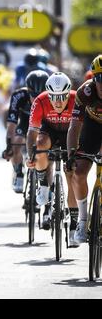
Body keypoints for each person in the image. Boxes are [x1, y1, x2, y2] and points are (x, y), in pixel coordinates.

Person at [26, 72, 79, 247]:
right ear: (48, 94)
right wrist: (31, 156)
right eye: (53, 97)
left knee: (71, 175)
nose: (57, 102)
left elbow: (84, 131)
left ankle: (73, 225)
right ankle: (43, 184)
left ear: (68, 93)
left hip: (70, 133)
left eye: (62, 97)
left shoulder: (76, 99)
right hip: (49, 131)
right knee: (40, 144)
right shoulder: (40, 101)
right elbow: (32, 132)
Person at [67, 55, 102, 244]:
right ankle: (82, 220)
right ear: (93, 79)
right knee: (78, 173)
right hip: (92, 128)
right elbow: (74, 127)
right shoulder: (84, 93)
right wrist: (72, 154)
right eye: (100, 79)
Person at [3, 70, 49, 193]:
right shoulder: (18, 96)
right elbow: (12, 122)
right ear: (28, 90)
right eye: (33, 95)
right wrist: (9, 145)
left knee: (46, 152)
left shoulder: (50, 97)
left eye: (40, 95)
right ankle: (18, 172)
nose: (36, 99)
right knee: (16, 143)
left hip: (43, 124)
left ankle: (48, 185)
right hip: (25, 122)